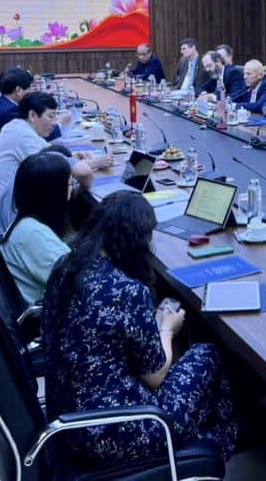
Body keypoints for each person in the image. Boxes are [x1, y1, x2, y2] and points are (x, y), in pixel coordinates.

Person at [42, 191, 238, 467]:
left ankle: (199, 438)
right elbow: (155, 376)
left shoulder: (65, 267)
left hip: (65, 420)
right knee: (206, 354)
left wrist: (150, 323)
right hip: (114, 433)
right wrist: (167, 328)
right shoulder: (127, 290)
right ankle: (211, 447)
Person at [0, 92, 107, 200]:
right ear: (32, 115)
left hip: (3, 200)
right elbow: (58, 168)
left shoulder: (17, 126)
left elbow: (46, 150)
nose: (54, 122)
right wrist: (93, 163)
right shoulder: (23, 136)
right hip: (3, 208)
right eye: (50, 117)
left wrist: (73, 155)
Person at [0, 151, 72, 305]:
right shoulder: (33, 235)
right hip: (44, 321)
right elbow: (81, 285)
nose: (72, 189)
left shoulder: (25, 222)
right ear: (54, 194)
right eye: (70, 184)